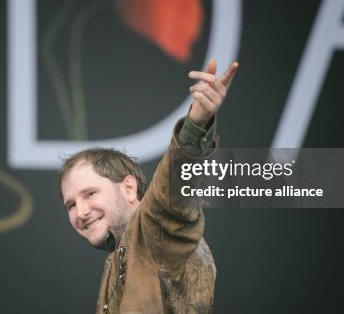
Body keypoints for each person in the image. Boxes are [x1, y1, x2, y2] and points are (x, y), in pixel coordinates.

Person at [59, 59, 238, 313]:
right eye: (71, 204)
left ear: (129, 188)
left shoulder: (154, 231)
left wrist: (197, 123)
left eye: (90, 193)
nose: (82, 211)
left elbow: (170, 196)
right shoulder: (119, 252)